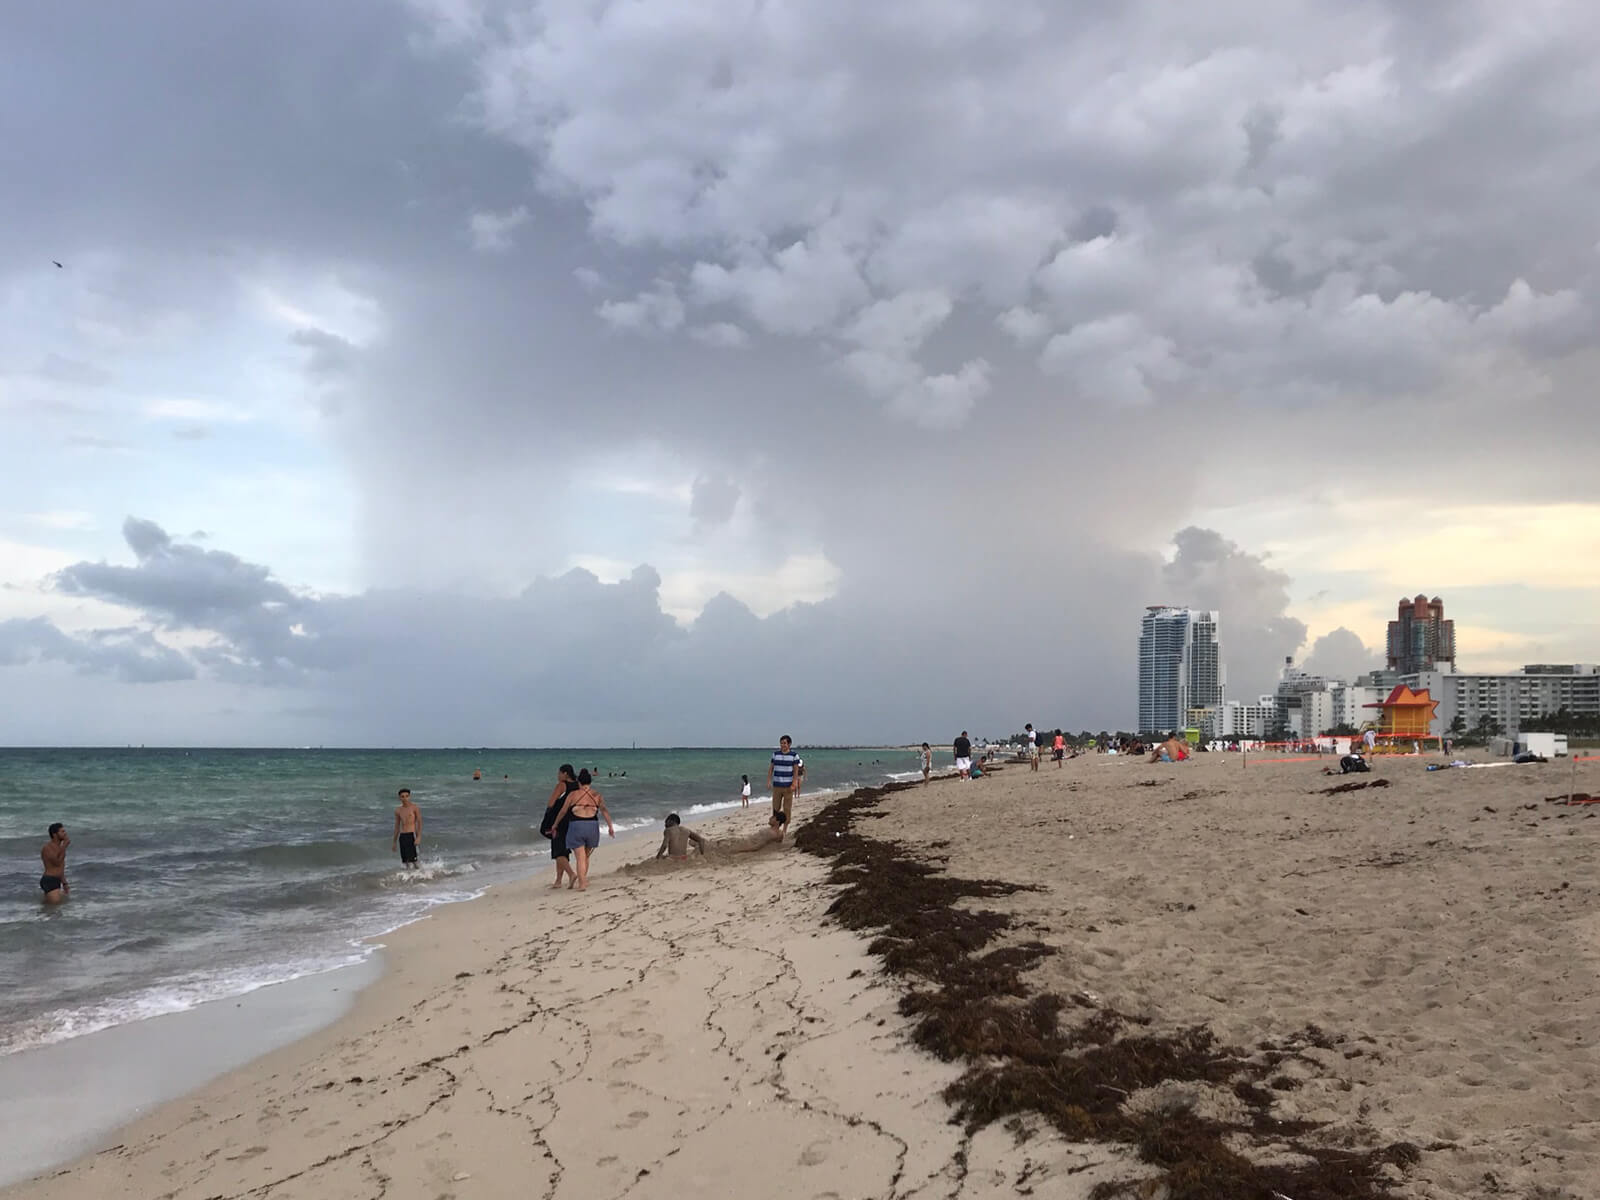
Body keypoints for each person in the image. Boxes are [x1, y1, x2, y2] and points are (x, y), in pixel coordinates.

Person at [548, 769, 615, 891]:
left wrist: (555, 824)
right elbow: (604, 811)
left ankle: (582, 883)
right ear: (590, 782)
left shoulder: (573, 795)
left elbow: (563, 811)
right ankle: (583, 880)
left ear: (579, 782)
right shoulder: (597, 795)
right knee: (585, 856)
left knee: (580, 857)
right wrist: (610, 827)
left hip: (577, 826)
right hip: (592, 827)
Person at [541, 764, 580, 889]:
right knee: (563, 850)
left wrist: (547, 817)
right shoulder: (577, 785)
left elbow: (551, 802)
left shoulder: (562, 785)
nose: (558, 776)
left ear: (565, 774)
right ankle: (558, 881)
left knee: (558, 850)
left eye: (559, 773)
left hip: (560, 820)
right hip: (573, 819)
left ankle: (571, 874)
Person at [769, 735, 801, 825]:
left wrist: (794, 783)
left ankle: (784, 830)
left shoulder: (794, 755)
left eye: (784, 743)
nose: (783, 745)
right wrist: (768, 780)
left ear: (789, 744)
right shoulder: (775, 754)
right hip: (777, 786)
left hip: (788, 787)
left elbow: (796, 770)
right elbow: (771, 768)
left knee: (787, 808)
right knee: (775, 808)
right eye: (781, 743)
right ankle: (775, 827)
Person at [392, 789, 422, 868]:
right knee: (406, 861)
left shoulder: (414, 808)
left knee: (414, 860)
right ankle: (408, 878)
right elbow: (397, 826)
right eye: (402, 797)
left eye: (406, 796)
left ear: (409, 797)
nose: (405, 798)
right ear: (399, 798)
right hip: (402, 836)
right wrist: (394, 842)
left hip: (411, 835)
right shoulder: (398, 810)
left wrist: (418, 837)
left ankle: (421, 876)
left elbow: (419, 822)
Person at [39, 823, 69, 904]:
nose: (65, 833)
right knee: (55, 909)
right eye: (62, 832)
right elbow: (57, 863)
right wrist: (64, 846)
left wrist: (64, 883)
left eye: (64, 831)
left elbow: (60, 867)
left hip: (57, 880)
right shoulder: (48, 848)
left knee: (50, 908)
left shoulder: (60, 848)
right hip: (49, 880)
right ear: (55, 834)